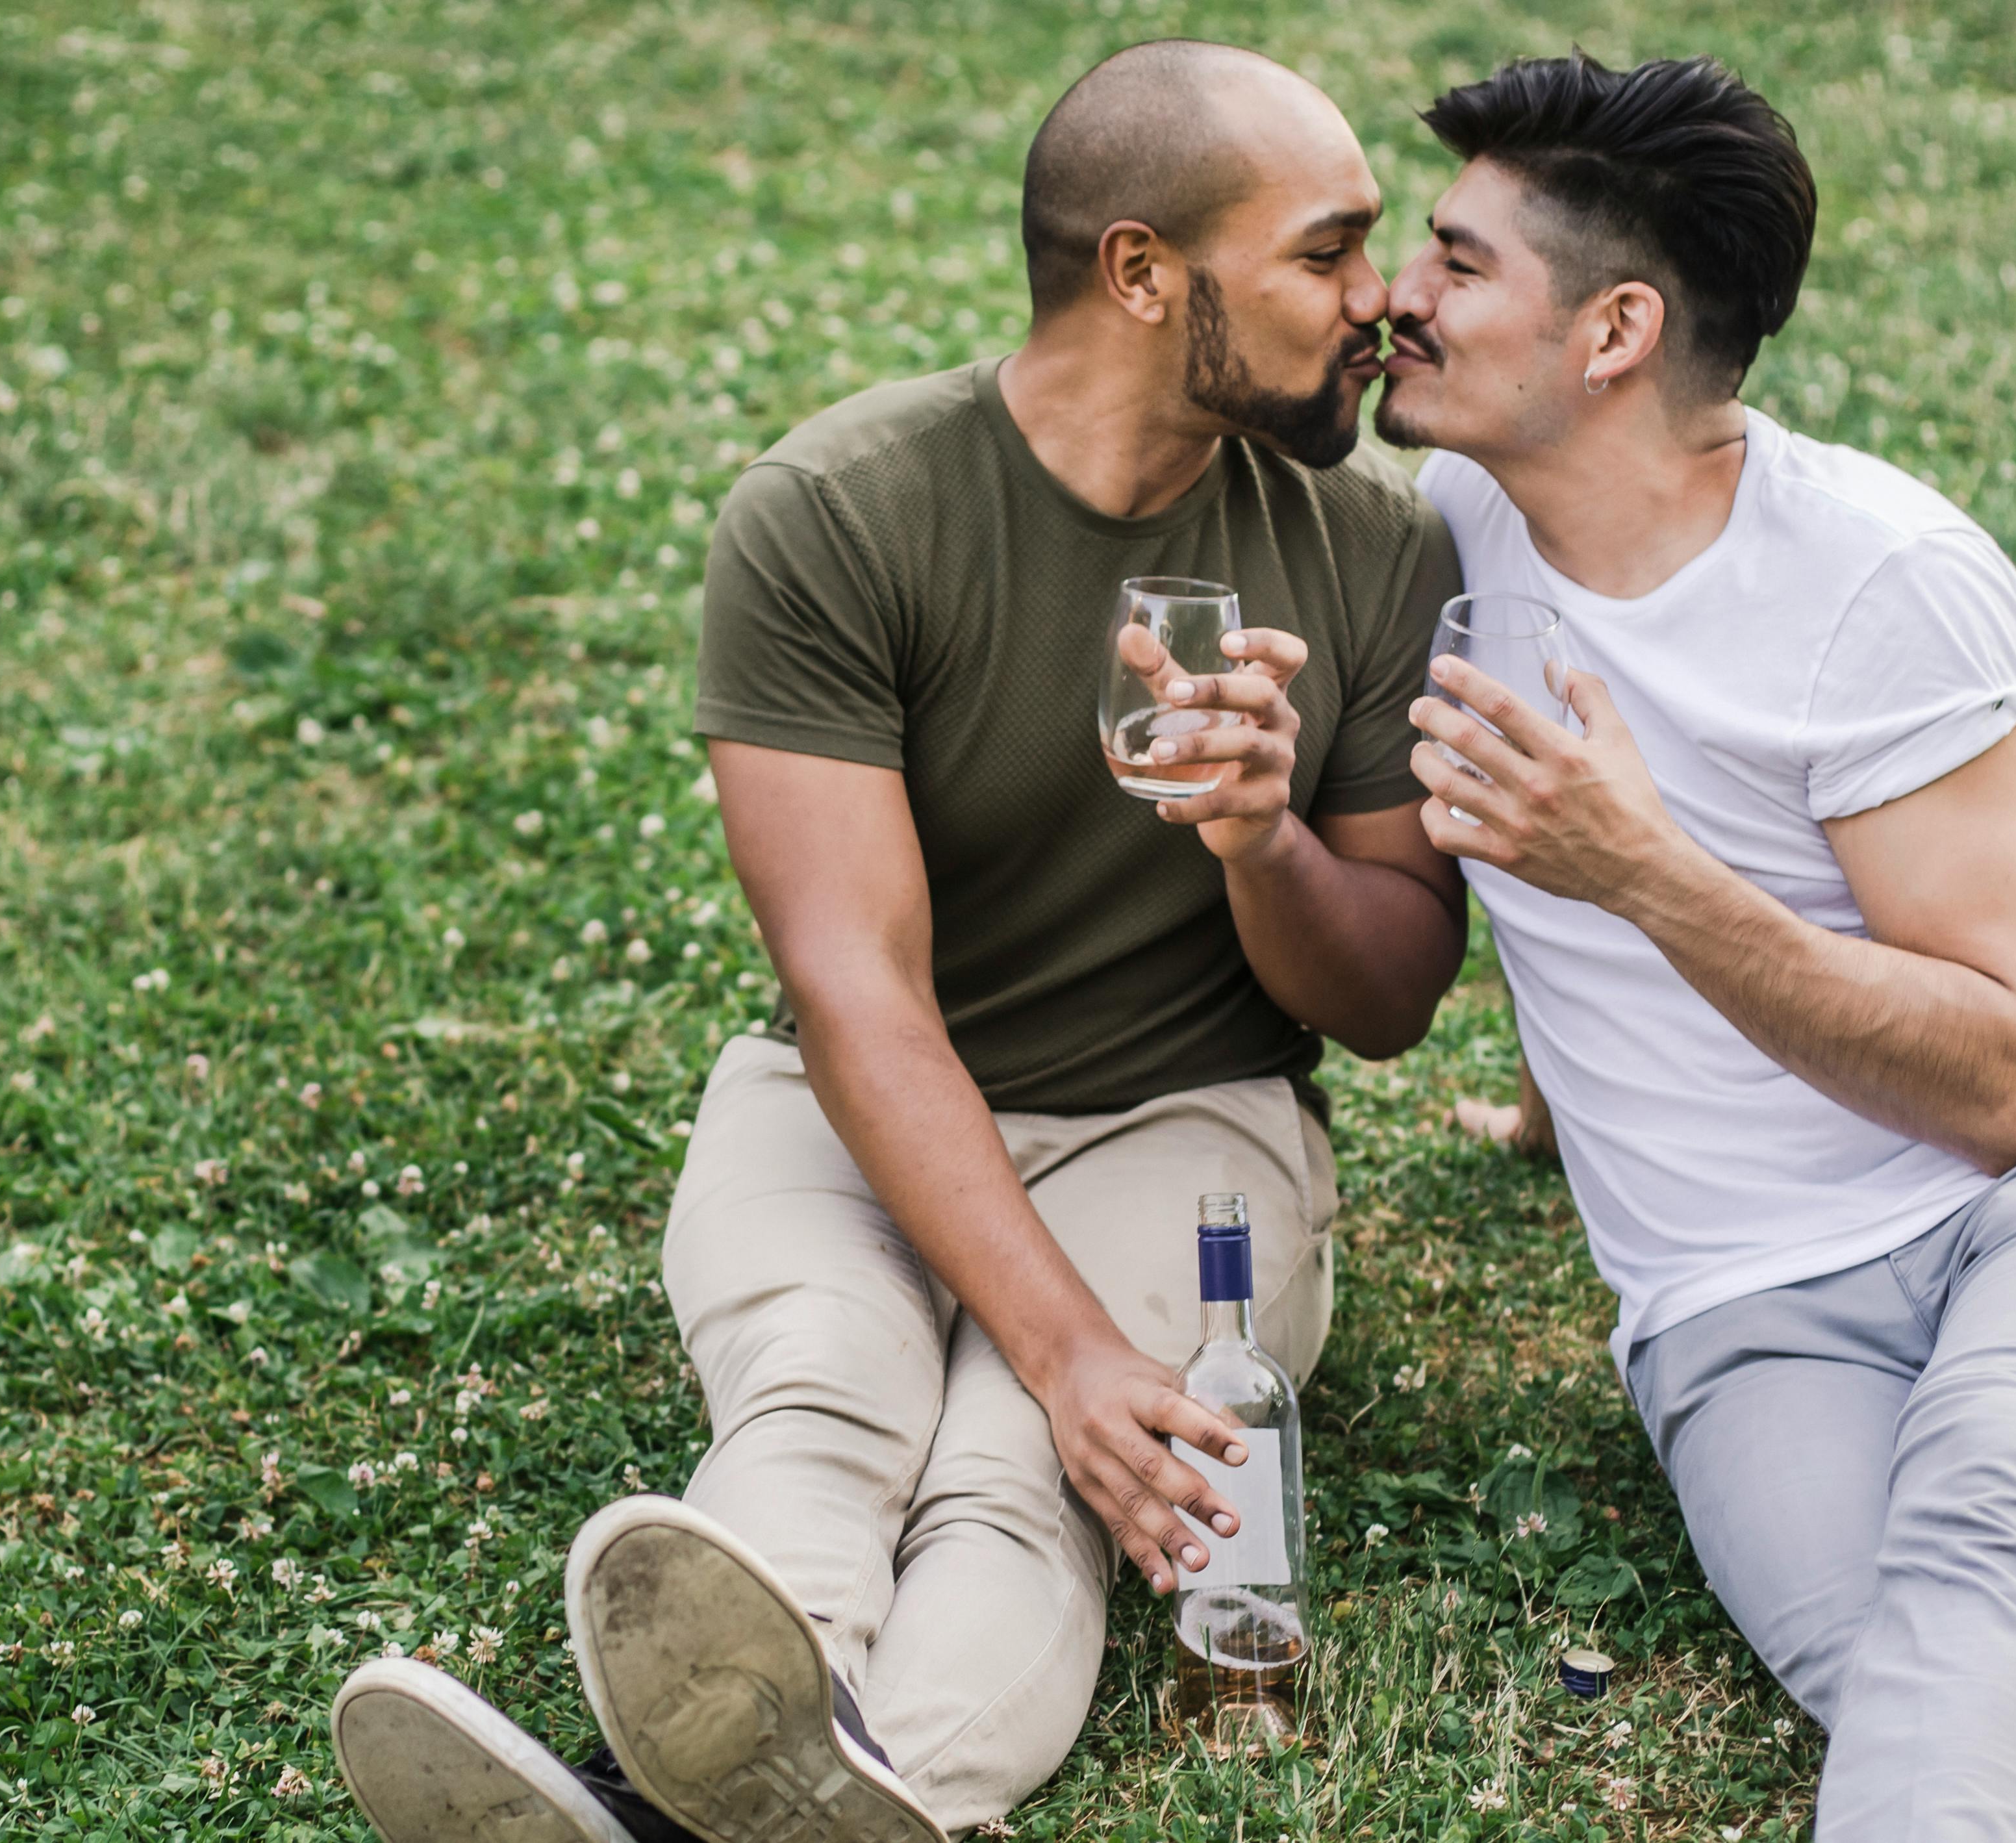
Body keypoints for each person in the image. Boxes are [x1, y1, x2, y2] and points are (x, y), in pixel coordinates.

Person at [328, 38, 1467, 1843]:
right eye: (1328, 252)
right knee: (824, 1401)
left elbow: (1392, 993)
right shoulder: (840, 516)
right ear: (1144, 272)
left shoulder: (1371, 552)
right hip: (849, 1106)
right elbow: (854, 991)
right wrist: (1070, 1341)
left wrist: (1265, 845)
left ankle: (685, 1814)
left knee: (1025, 1479)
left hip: (1185, 1121)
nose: (1379, 300)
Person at [1374, 53, 2016, 1840]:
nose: (1395, 297)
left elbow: (2014, 1084)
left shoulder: (1883, 584)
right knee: (1905, 1669)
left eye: (1456, 262)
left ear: (1616, 331)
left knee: (1990, 1500)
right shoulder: (1453, 533)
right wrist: (1563, 1099)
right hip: (1744, 1316)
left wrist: (1642, 874)